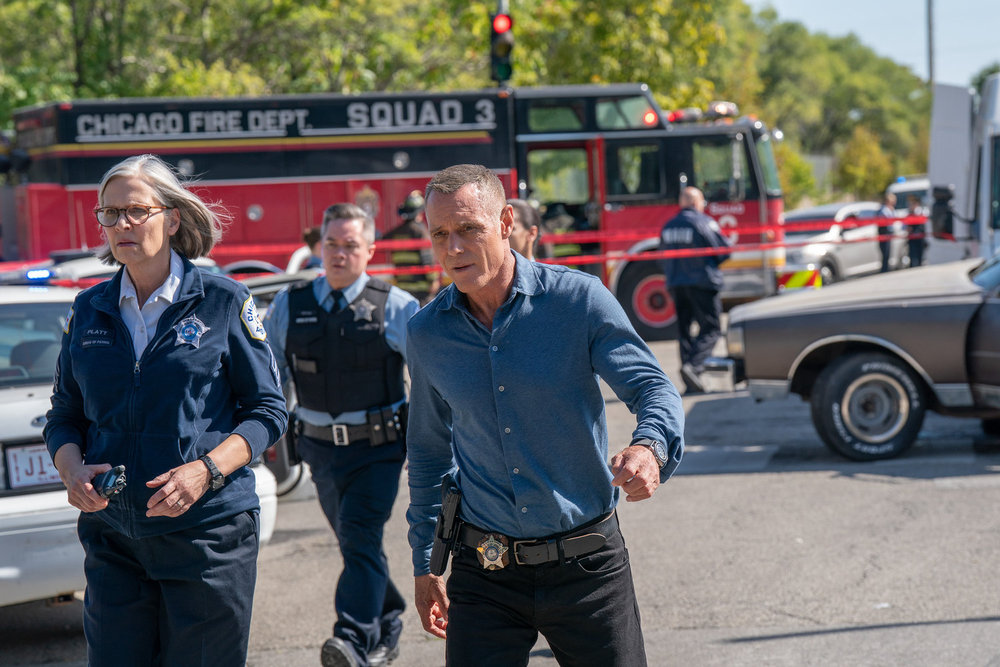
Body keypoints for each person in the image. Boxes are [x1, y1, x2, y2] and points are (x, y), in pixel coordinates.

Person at [405, 164, 684, 666]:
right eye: (440, 234)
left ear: (507, 221)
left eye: (470, 229)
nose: (453, 248)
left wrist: (650, 447)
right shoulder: (427, 334)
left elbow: (652, 387)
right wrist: (427, 561)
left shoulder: (579, 302)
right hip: (483, 572)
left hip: (588, 568)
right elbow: (427, 451)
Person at [43, 153, 288, 666]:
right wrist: (72, 472)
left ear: (172, 218)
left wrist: (205, 471)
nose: (121, 225)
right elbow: (65, 414)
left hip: (207, 538)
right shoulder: (89, 308)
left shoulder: (223, 300)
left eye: (136, 211)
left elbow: (267, 411)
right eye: (109, 214)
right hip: (114, 538)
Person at [263, 203, 419, 667]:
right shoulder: (291, 305)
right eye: (331, 244)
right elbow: (271, 380)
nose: (339, 253)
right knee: (357, 545)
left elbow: (429, 382)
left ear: (369, 250)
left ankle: (350, 639)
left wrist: (437, 446)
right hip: (318, 452)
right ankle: (388, 619)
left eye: (350, 245)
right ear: (319, 246)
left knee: (358, 534)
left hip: (380, 450)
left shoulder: (395, 305)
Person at [657, 186, 732, 394]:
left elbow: (660, 258)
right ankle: (694, 367)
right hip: (703, 283)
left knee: (684, 331)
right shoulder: (704, 222)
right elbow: (724, 250)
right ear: (696, 203)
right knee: (712, 329)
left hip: (676, 284)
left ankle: (691, 383)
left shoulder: (668, 226)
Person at [383, 190, 440, 305]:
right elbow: (427, 258)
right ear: (420, 212)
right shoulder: (420, 231)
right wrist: (433, 280)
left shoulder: (396, 232)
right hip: (421, 289)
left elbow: (382, 241)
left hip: (402, 286)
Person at [877, 191, 898, 273]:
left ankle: (886, 268)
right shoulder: (884, 210)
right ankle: (884, 269)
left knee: (887, 252)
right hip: (884, 234)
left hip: (887, 234)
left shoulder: (888, 210)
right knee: (885, 252)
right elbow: (889, 221)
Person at [906, 194, 928, 268]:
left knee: (920, 257)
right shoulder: (910, 214)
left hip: (920, 238)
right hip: (912, 239)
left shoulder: (922, 212)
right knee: (913, 257)